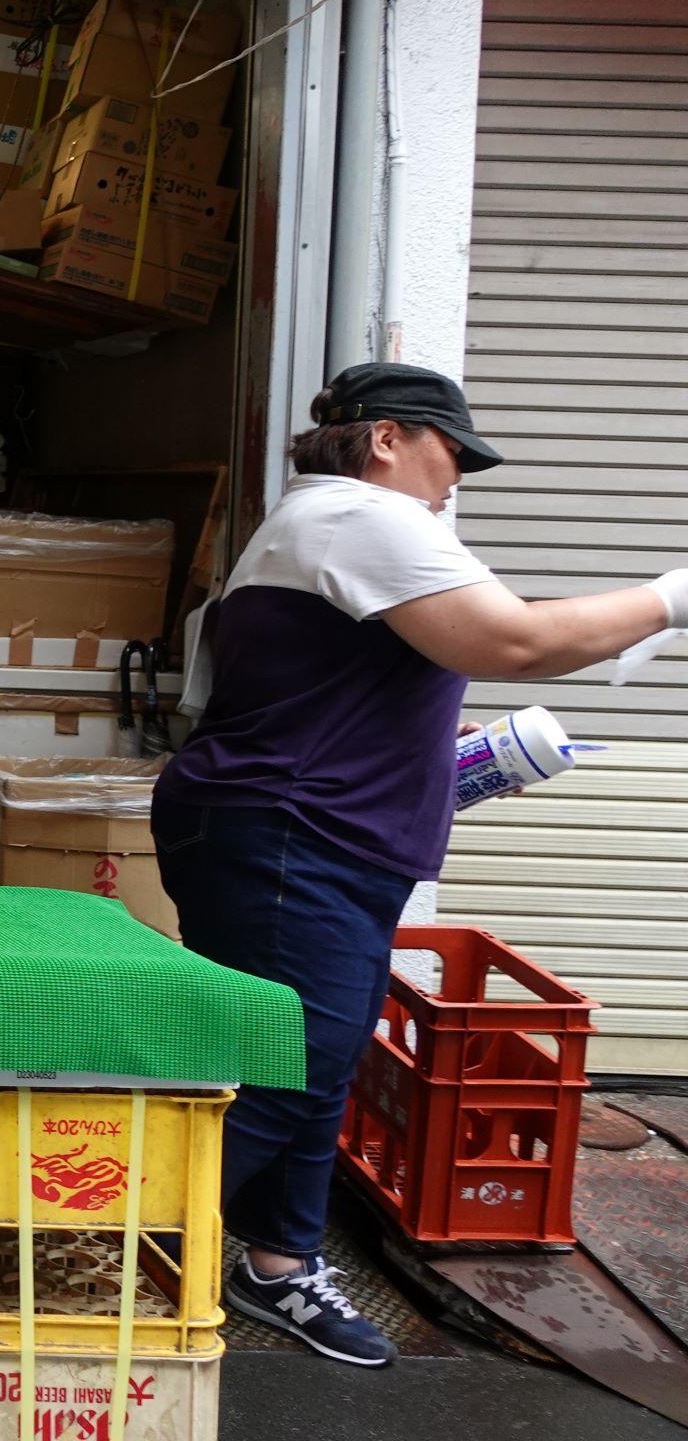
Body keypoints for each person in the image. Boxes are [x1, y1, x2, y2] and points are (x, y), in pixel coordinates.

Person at [152, 362, 686, 1368]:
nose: (456, 482)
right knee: (286, 1065)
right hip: (289, 839)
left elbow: (337, 689)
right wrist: (667, 599)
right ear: (389, 436)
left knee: (313, 1063)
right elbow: (517, 639)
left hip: (305, 834)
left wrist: (459, 754)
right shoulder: (361, 513)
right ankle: (103, 1247)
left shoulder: (325, 523)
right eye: (451, 455)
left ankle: (277, 1264)